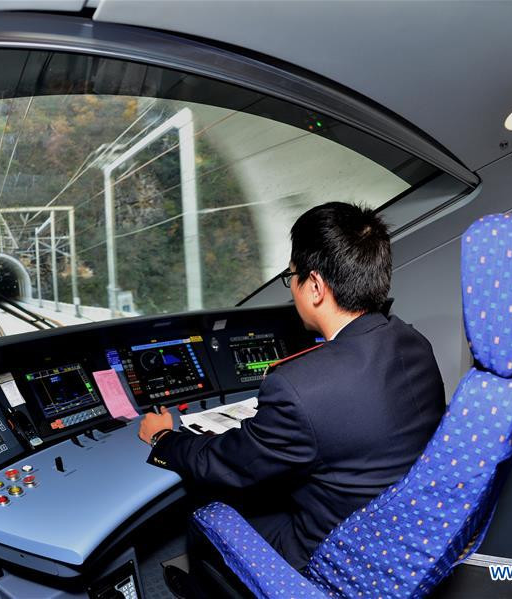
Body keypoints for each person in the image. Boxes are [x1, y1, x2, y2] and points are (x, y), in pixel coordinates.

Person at [138, 202, 445, 594]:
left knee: (208, 507)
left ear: (315, 286)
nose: (293, 287)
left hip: (331, 550)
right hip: (399, 533)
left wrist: (163, 437)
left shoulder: (298, 388)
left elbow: (224, 463)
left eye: (291, 276)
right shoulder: (414, 342)